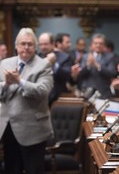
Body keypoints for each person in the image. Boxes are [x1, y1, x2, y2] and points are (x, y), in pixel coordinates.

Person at [0, 27, 54, 174]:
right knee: (12, 169)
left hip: (33, 129)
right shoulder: (5, 64)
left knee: (34, 170)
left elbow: (42, 91)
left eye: (30, 44)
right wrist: (6, 84)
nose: (26, 47)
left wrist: (20, 81)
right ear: (16, 46)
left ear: (35, 47)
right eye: (23, 43)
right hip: (8, 127)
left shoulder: (43, 65)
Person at [38, 32, 74, 106]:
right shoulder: (36, 58)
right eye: (41, 44)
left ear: (52, 44)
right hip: (39, 99)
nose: (43, 47)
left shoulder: (64, 57)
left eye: (45, 44)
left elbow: (67, 76)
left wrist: (54, 65)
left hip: (57, 99)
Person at [78, 33, 117, 99]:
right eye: (96, 43)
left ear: (104, 45)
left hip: (103, 92)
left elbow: (112, 73)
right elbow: (80, 75)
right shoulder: (85, 57)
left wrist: (97, 65)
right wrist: (88, 65)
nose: (98, 45)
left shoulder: (110, 57)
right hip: (88, 92)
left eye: (101, 43)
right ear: (92, 45)